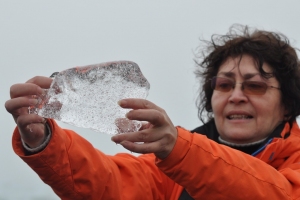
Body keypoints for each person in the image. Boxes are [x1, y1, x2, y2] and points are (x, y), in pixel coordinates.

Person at [5, 24, 300, 199]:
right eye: (223, 85)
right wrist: (44, 142)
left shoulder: (180, 154)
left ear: (288, 104)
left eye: (255, 86)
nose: (236, 96)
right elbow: (112, 184)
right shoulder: (172, 164)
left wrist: (178, 149)